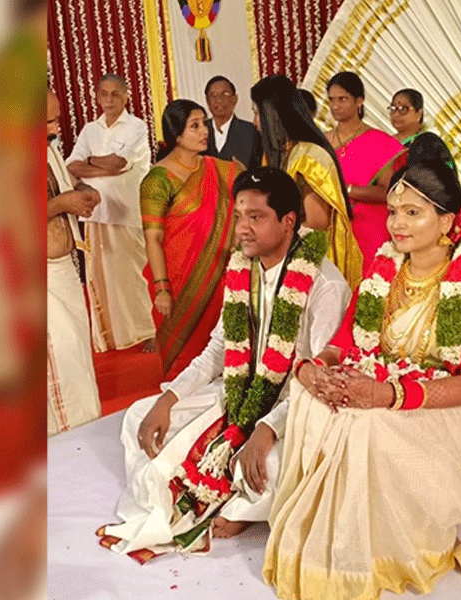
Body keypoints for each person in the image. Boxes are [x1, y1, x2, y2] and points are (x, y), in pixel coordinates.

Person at [263, 159, 461, 600]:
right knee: (314, 400)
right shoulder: (382, 271)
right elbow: (342, 343)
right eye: (392, 211)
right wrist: (316, 370)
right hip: (387, 386)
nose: (397, 223)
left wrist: (390, 395)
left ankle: (384, 555)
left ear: (447, 221)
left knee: (369, 422)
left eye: (412, 212)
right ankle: (329, 542)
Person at [97, 167, 351, 561]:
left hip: (296, 405)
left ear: (288, 221)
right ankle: (220, 491)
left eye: (256, 217)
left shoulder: (325, 285)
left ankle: (241, 507)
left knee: (270, 463)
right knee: (139, 417)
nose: (242, 228)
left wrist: (267, 428)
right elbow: (218, 350)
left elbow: (319, 379)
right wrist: (168, 398)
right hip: (238, 388)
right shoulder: (243, 266)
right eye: (239, 216)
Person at [139, 99, 242, 379]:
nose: (204, 131)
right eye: (194, 126)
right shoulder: (157, 180)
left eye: (203, 124)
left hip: (220, 274)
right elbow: (153, 237)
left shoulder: (221, 170)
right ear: (176, 134)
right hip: (177, 281)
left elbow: (244, 207)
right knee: (184, 355)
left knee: (224, 347)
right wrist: (162, 288)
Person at [66, 74, 155, 353]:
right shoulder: (90, 130)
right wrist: (102, 167)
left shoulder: (136, 126)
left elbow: (119, 162)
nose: (109, 99)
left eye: (115, 93)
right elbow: (72, 166)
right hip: (94, 213)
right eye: (104, 93)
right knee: (100, 279)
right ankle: (110, 337)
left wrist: (91, 162)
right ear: (97, 97)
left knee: (132, 276)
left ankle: (146, 331)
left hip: (126, 213)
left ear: (126, 96)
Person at [250, 74, 363, 290]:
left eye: (257, 113)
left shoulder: (309, 157)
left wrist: (269, 235)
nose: (255, 122)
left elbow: (317, 221)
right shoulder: (282, 153)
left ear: (273, 115)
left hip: (313, 266)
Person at [47, 90, 102, 435]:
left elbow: (60, 188)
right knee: (62, 362)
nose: (55, 129)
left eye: (55, 120)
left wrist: (81, 191)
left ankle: (84, 435)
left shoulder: (48, 148)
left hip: (63, 267)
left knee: (78, 357)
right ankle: (66, 444)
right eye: (47, 121)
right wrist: (61, 204)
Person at [325, 71, 404, 273]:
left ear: (359, 101)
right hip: (329, 228)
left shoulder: (380, 142)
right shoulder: (322, 142)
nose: (335, 106)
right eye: (332, 100)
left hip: (368, 230)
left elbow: (388, 191)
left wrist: (345, 190)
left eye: (342, 99)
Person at [203, 75, 262, 170]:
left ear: (235, 99)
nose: (219, 100)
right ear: (207, 100)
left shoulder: (251, 131)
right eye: (213, 95)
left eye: (225, 94)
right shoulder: (200, 130)